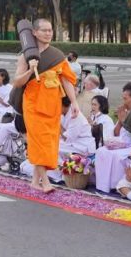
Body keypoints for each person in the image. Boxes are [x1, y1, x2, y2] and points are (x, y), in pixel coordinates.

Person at [12, 18, 80, 193]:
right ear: (34, 32)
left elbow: (67, 80)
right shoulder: (25, 56)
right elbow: (18, 82)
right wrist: (30, 69)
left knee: (49, 142)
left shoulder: (57, 55)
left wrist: (74, 103)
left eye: (50, 30)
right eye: (44, 30)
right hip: (33, 105)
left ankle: (35, 181)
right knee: (38, 143)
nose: (48, 33)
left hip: (52, 105)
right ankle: (45, 181)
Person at [94, 82, 131, 193]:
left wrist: (124, 121)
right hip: (121, 144)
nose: (123, 102)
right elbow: (116, 133)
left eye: (126, 99)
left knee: (115, 156)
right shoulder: (126, 111)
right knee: (101, 151)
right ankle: (103, 185)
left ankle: (115, 185)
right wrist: (120, 122)